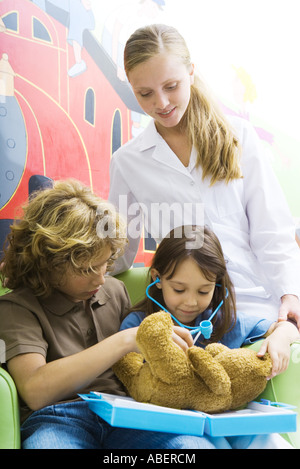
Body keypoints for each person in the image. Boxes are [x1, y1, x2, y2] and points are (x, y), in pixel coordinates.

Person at [0, 179, 217, 450]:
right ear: (48, 263)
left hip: (129, 418)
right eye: (88, 269)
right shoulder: (17, 308)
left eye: (105, 265)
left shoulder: (114, 290)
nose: (101, 279)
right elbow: (34, 390)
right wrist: (125, 340)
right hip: (59, 420)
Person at [108, 23, 300, 327]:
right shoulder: (127, 162)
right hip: (187, 312)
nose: (161, 103)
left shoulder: (240, 137)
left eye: (171, 86)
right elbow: (118, 252)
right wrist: (52, 266)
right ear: (131, 87)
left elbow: (272, 230)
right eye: (145, 93)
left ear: (191, 72)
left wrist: (291, 293)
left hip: (256, 304)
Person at [120, 225, 299, 449]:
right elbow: (128, 373)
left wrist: (282, 335)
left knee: (269, 441)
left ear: (216, 285)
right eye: (178, 290)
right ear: (157, 278)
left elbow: (288, 327)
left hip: (224, 420)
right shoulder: (138, 326)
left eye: (203, 291)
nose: (191, 302)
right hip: (169, 427)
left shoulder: (225, 321)